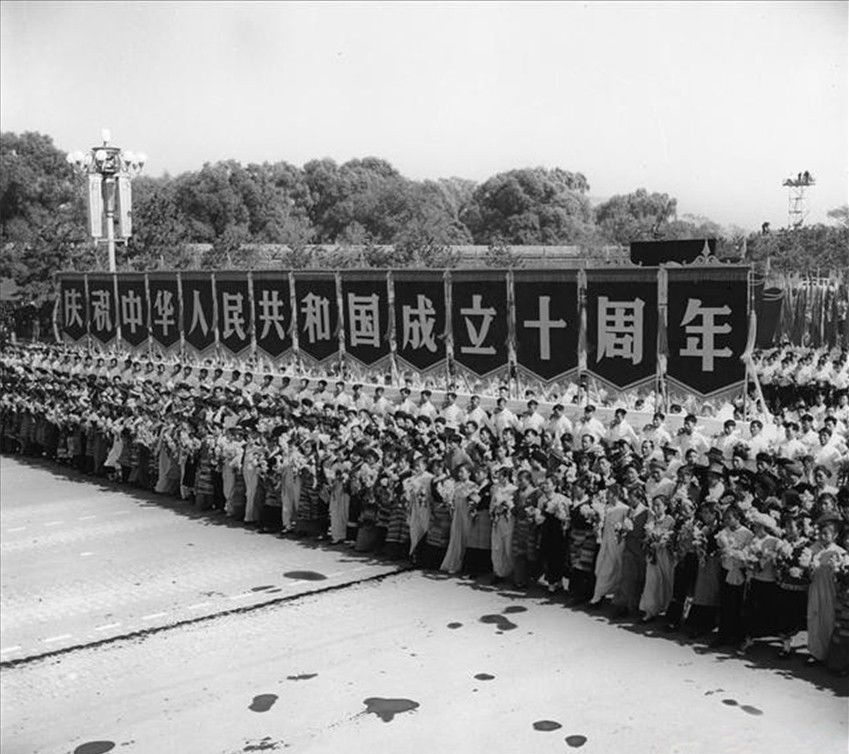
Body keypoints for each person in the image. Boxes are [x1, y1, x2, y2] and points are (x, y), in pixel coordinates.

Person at [806, 515, 847, 666]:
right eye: (821, 533)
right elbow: (807, 572)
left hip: (831, 591)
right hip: (816, 588)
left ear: (835, 535)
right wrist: (810, 568)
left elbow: (841, 575)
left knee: (829, 620)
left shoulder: (839, 552)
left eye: (827, 534)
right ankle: (814, 652)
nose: (823, 537)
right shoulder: (813, 548)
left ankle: (828, 653)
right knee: (814, 618)